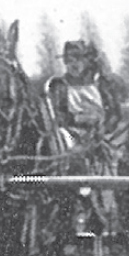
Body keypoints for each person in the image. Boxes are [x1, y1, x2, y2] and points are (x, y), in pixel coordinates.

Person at [44, 40, 123, 234]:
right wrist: (76, 120)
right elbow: (56, 114)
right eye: (69, 60)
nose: (74, 64)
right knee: (67, 153)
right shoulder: (59, 85)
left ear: (87, 61)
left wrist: (103, 127)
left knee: (117, 163)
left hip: (99, 135)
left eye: (78, 59)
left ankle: (112, 214)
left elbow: (114, 112)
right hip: (69, 135)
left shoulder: (101, 83)